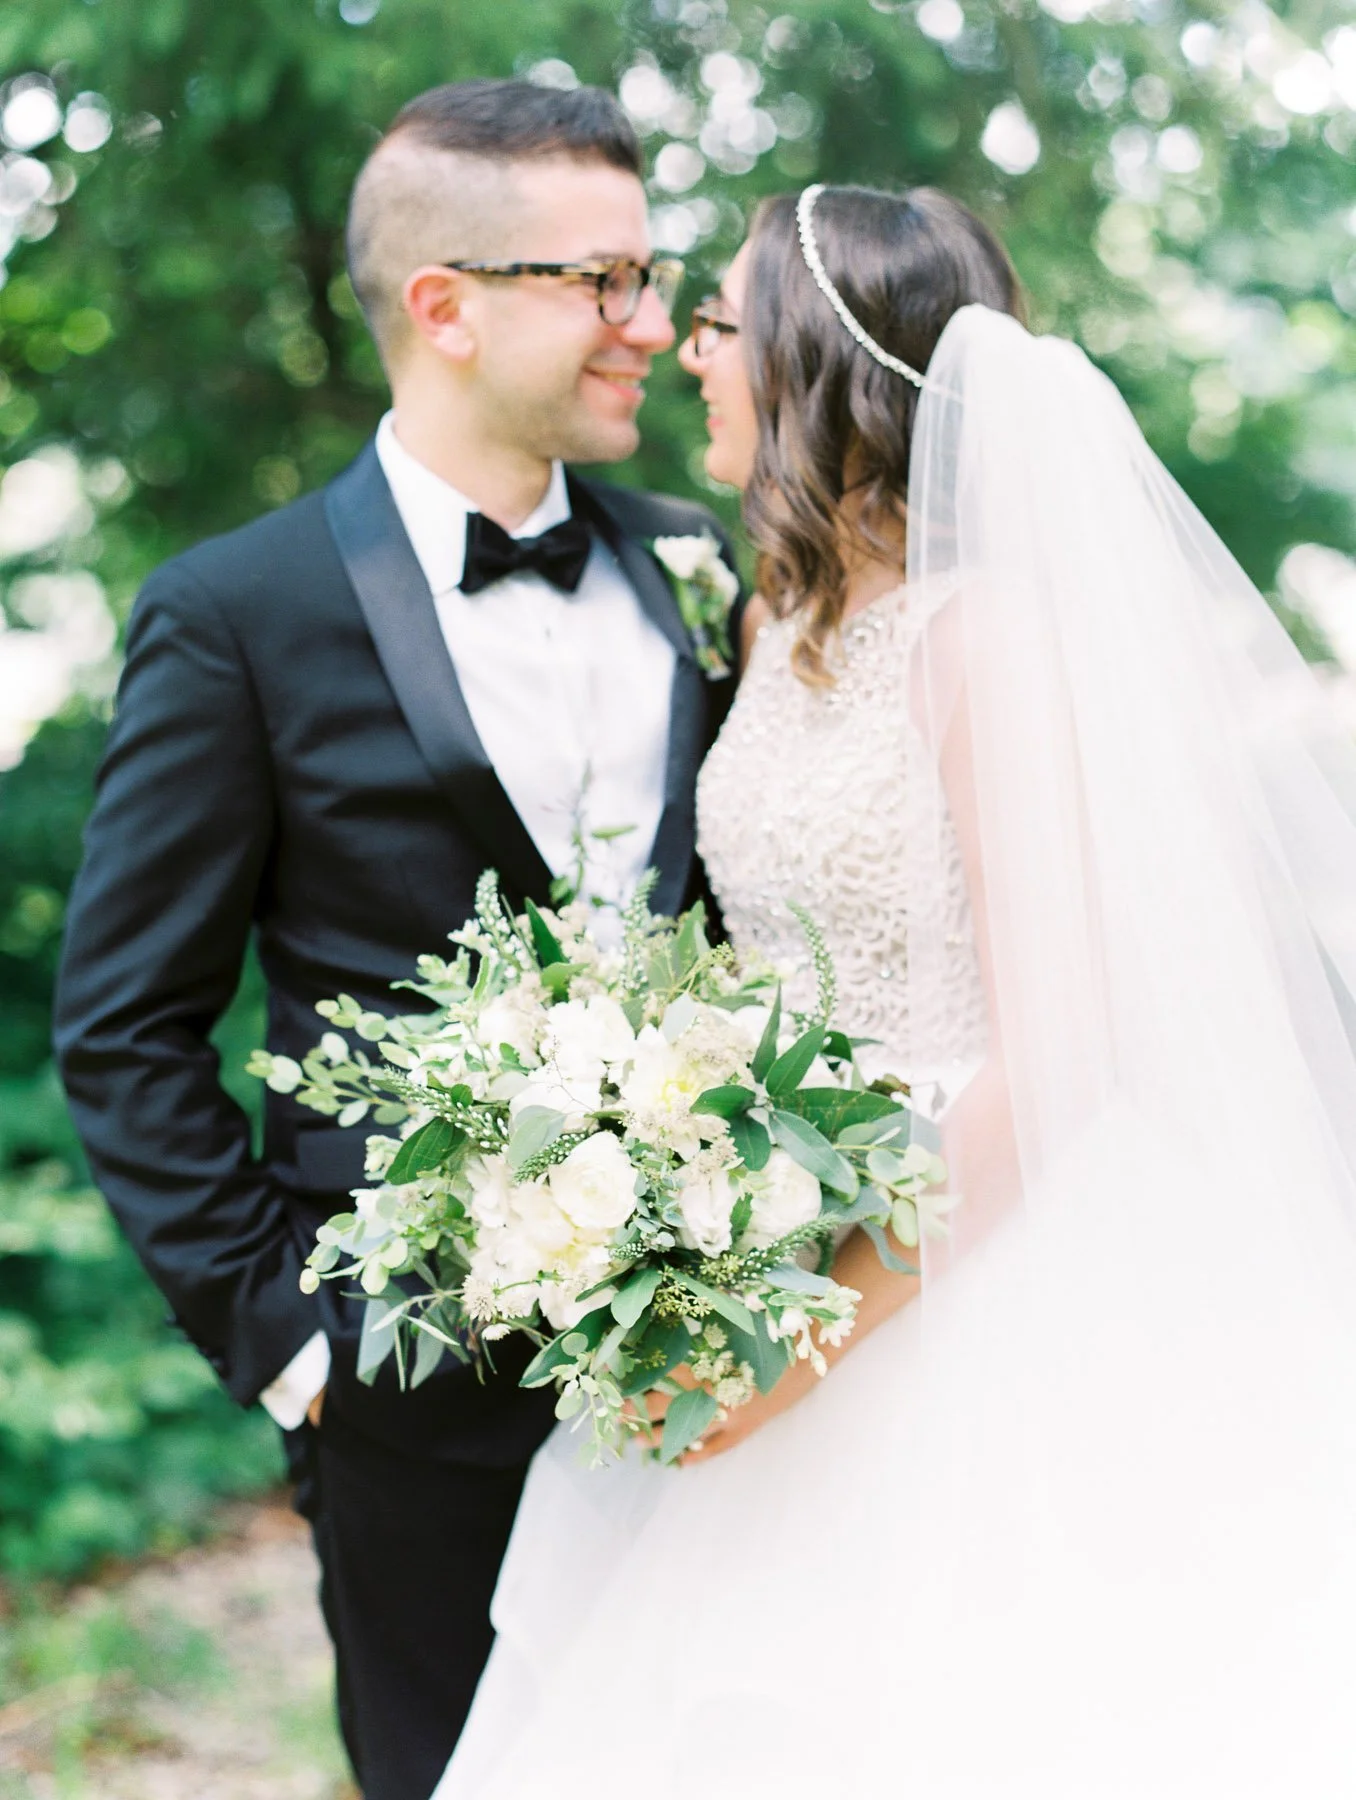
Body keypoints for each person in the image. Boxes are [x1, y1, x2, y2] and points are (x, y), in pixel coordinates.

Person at [434, 184, 1356, 1797]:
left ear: (813, 367)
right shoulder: (782, 621)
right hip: (785, 1230)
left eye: (720, 322)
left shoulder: (983, 645)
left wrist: (796, 1345)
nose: (688, 354)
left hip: (971, 1278)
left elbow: (1066, 1042)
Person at [53, 79, 742, 1800]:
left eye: (649, 279)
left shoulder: (698, 564)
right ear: (445, 306)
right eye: (601, 283)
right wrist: (291, 1347)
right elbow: (127, 1025)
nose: (648, 326)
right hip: (412, 1396)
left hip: (725, 1372)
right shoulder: (237, 614)